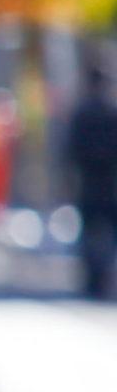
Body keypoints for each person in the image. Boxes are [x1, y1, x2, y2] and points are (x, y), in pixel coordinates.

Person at [63, 63, 117, 299]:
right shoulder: (109, 113)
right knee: (104, 232)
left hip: (91, 182)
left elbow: (70, 151)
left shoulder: (83, 113)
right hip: (107, 183)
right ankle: (100, 277)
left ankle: (93, 278)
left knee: (90, 231)